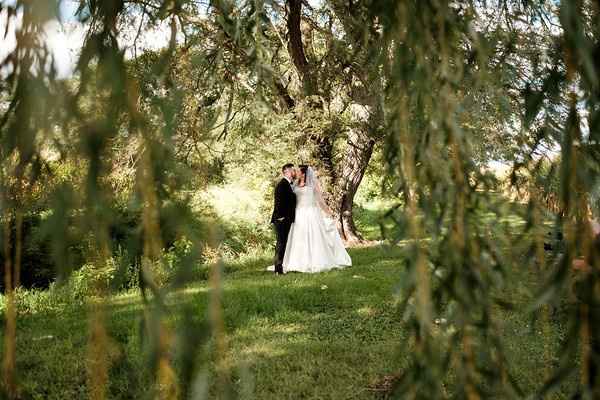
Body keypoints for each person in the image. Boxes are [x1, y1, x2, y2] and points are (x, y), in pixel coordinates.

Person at [282, 165, 352, 273]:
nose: (296, 172)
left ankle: (316, 260)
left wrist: (329, 212)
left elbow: (320, 201)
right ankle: (298, 262)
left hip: (311, 213)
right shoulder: (295, 184)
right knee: (299, 237)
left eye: (298, 171)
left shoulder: (313, 185)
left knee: (314, 236)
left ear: (304, 173)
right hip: (299, 213)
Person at [270, 163, 297, 275]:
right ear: (286, 171)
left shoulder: (289, 184)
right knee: (281, 243)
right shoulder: (282, 184)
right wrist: (281, 217)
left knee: (283, 243)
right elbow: (279, 203)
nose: (294, 172)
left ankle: (280, 266)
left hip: (286, 219)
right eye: (292, 170)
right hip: (281, 219)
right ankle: (278, 269)